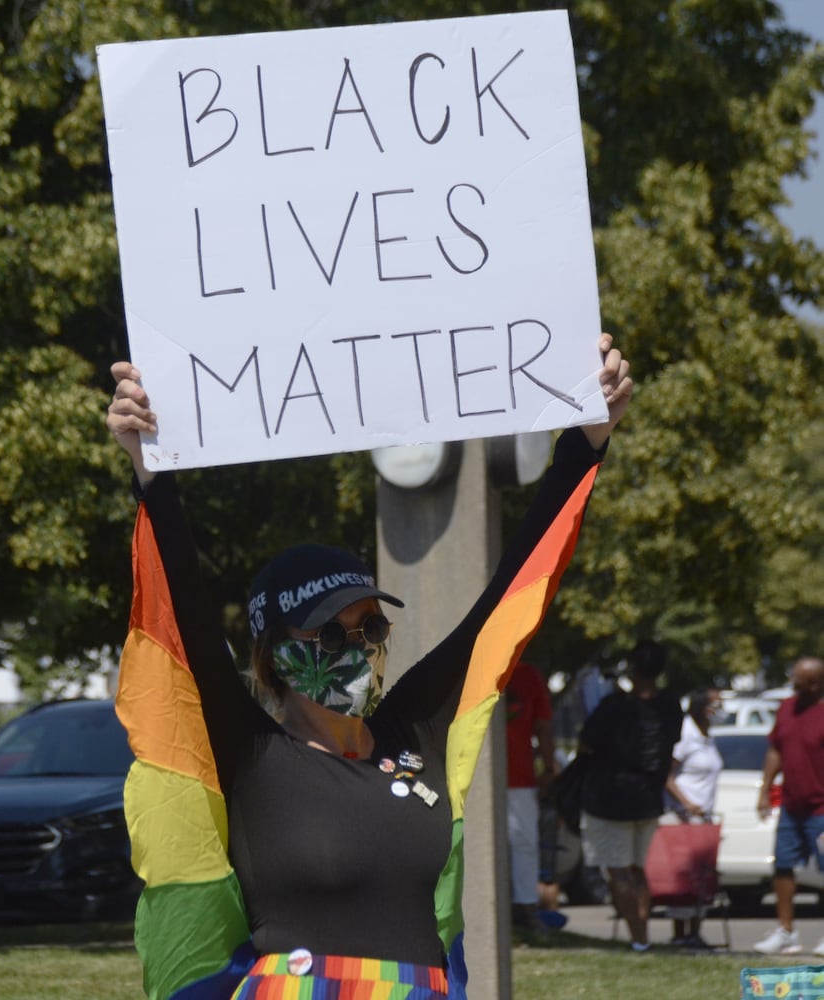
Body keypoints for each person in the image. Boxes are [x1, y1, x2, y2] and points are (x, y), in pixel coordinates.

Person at [106, 333, 633, 999]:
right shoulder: (249, 754)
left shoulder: (420, 732)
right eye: (329, 632)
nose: (356, 646)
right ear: (273, 652)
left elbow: (509, 595)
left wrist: (586, 442)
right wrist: (151, 473)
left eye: (370, 626)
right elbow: (182, 613)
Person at [576, 639, 683, 953]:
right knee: (637, 869)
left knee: (619, 871)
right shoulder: (670, 704)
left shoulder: (614, 706)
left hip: (610, 798)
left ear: (634, 668)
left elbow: (586, 743)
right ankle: (644, 934)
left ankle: (638, 939)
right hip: (648, 797)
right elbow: (671, 742)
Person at [753, 657, 824, 956]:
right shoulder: (786, 708)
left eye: (799, 680)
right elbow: (775, 751)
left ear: (816, 684)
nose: (794, 684)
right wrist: (765, 790)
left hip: (821, 808)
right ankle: (786, 932)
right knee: (782, 866)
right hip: (792, 806)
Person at [660, 686, 723, 949]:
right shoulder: (686, 733)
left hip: (704, 820)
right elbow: (666, 773)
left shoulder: (707, 736)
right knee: (683, 876)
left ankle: (695, 932)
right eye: (716, 704)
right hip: (683, 819)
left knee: (702, 877)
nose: (720, 710)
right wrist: (686, 803)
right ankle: (680, 934)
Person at [504, 659, 558, 933]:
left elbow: (544, 726)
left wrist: (549, 767)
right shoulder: (475, 665)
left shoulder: (528, 675)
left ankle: (526, 907)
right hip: (473, 777)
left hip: (519, 778)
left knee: (524, 844)